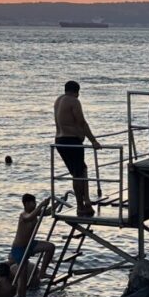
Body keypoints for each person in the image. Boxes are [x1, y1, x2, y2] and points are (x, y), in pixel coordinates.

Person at [53, 81, 101, 216]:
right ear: (77, 92)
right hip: (71, 141)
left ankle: (86, 201)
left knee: (81, 171)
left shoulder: (58, 100)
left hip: (60, 140)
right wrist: (93, 140)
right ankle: (81, 206)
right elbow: (81, 122)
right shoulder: (74, 101)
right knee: (78, 174)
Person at [10, 194, 56, 297]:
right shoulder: (24, 215)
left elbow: (48, 212)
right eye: (33, 203)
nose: (35, 205)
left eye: (35, 202)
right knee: (23, 278)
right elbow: (29, 217)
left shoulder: (36, 213)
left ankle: (42, 272)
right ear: (26, 204)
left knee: (50, 247)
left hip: (30, 244)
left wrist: (57, 203)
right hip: (19, 249)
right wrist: (41, 205)